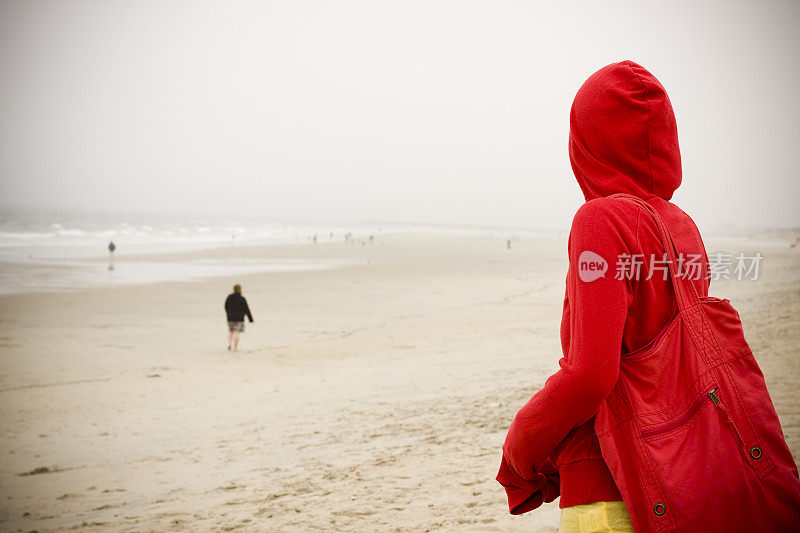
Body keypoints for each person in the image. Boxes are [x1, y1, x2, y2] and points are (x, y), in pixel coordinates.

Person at [497, 60, 791, 532]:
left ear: (587, 144)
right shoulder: (683, 226)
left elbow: (590, 374)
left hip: (606, 480)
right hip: (680, 473)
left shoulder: (599, 220)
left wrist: (519, 449)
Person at [224, 284, 253, 351]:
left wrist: (228, 313)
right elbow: (246, 309)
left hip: (230, 318)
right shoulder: (242, 298)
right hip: (239, 318)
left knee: (231, 331)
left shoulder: (229, 297)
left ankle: (229, 344)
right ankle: (235, 348)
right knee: (237, 332)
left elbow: (225, 306)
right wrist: (250, 319)